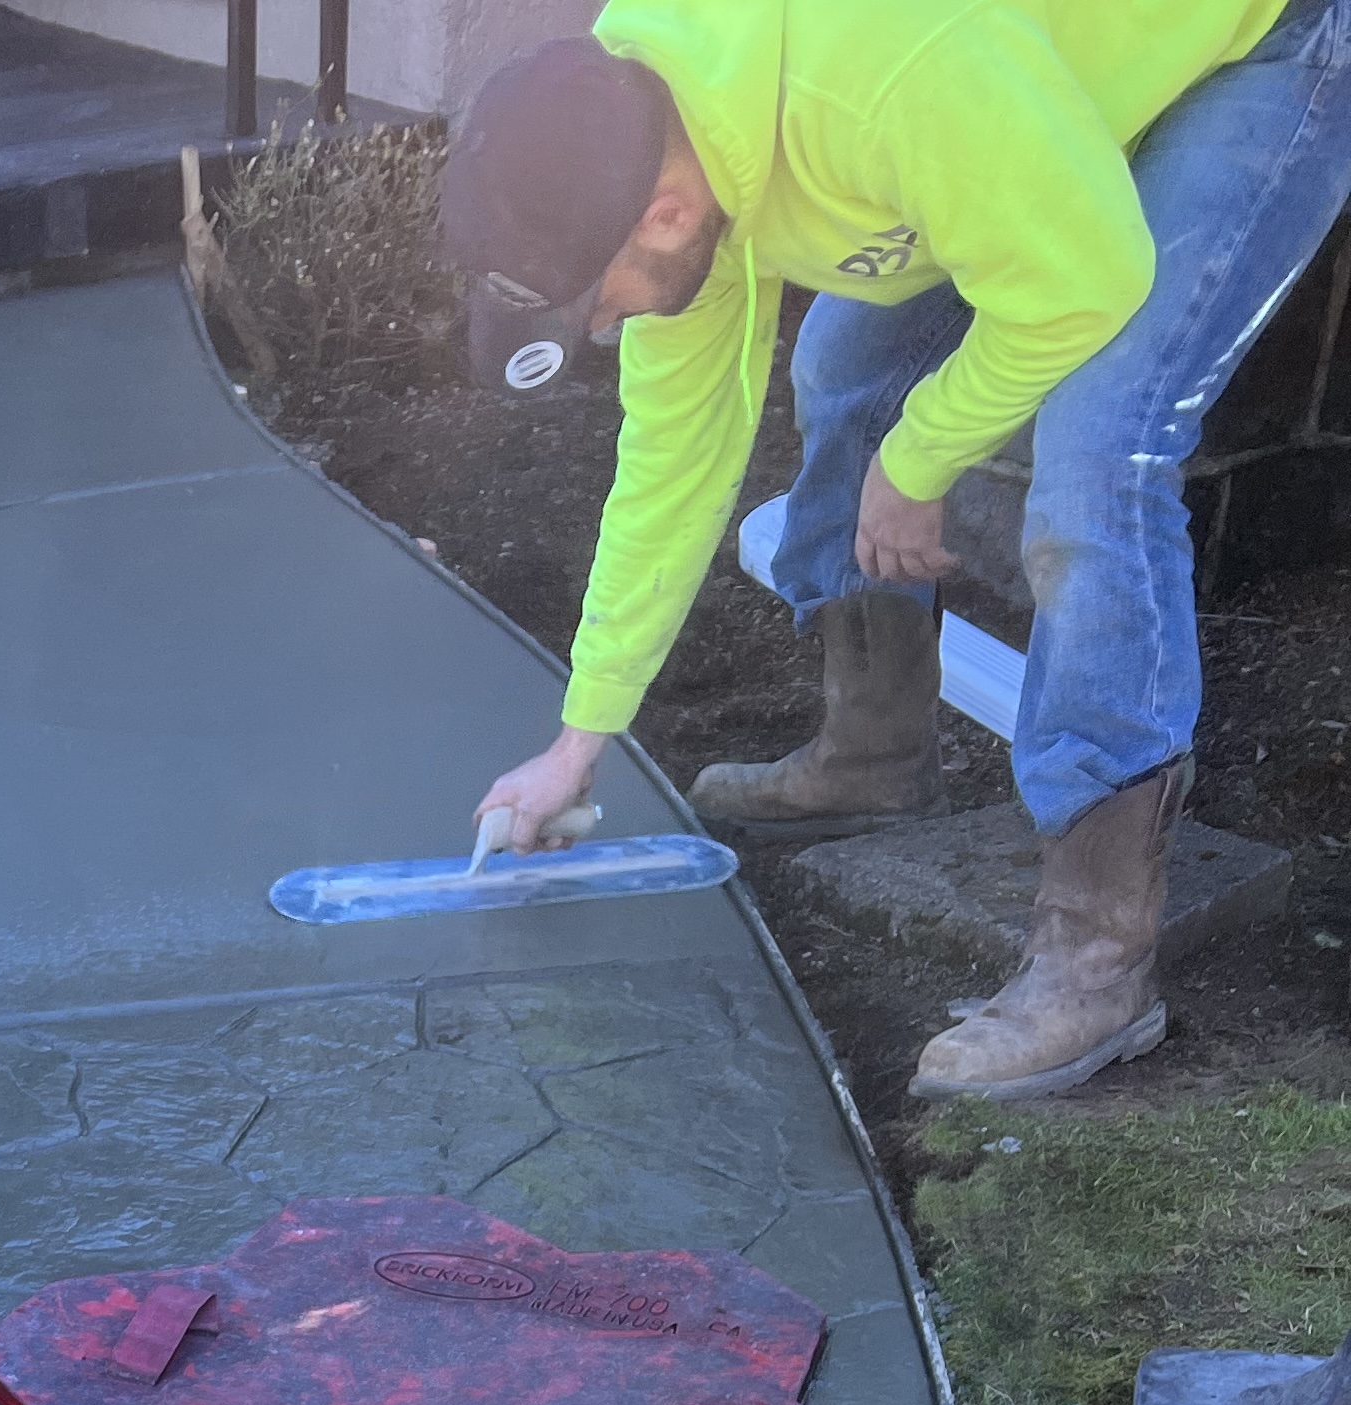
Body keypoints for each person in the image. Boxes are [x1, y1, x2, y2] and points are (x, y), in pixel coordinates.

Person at [440, 6, 1351, 1105]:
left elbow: (1084, 279)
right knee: (844, 362)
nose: (604, 331)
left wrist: (919, 462)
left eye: (601, 307)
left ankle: (1099, 955)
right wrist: (576, 744)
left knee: (1100, 444)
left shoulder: (878, 74)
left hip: (1256, 38)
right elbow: (669, 466)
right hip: (1034, 77)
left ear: (667, 215)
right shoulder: (660, 126)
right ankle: (876, 757)